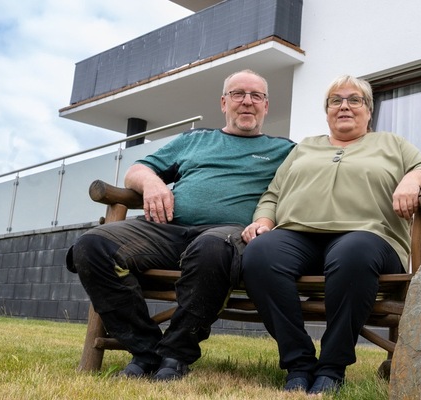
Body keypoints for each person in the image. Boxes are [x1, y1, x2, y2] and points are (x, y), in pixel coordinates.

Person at [66, 69, 294, 381]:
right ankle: (146, 350)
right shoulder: (194, 140)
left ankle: (175, 354)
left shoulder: (284, 151)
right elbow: (136, 170)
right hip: (167, 229)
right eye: (238, 94)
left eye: (256, 96)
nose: (247, 101)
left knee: (211, 247)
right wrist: (153, 184)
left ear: (266, 106)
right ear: (223, 102)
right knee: (92, 246)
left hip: (229, 236)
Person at [241, 74, 421, 394]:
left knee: (352, 252)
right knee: (259, 254)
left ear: (369, 111)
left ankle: (331, 367)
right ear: (327, 112)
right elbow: (272, 195)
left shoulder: (391, 143)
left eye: (355, 100)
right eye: (335, 101)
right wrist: (264, 222)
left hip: (369, 238)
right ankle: (298, 363)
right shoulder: (305, 147)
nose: (344, 106)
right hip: (299, 236)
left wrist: (412, 179)